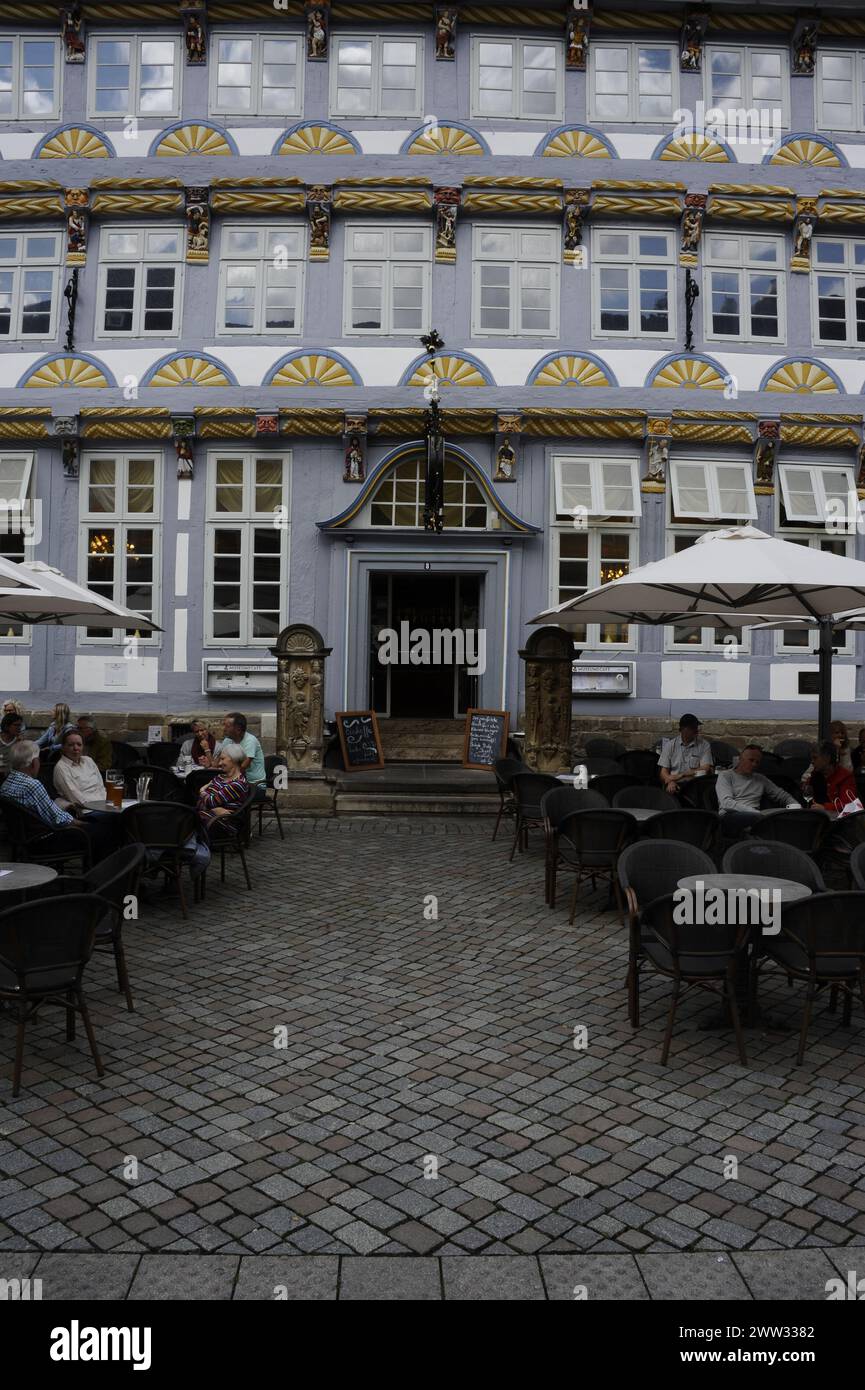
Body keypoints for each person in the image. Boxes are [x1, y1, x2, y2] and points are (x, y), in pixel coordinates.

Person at [0, 740, 118, 862]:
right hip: (44, 840)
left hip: (24, 838)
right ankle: (101, 873)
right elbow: (57, 819)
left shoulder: (7, 783)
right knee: (104, 831)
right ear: (34, 763)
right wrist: (82, 824)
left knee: (97, 827)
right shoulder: (32, 785)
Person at [716, 745, 801, 836]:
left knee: (783, 817)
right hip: (731, 815)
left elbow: (782, 795)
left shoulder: (760, 778)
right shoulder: (726, 776)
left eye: (757, 762)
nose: (754, 764)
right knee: (762, 820)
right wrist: (755, 812)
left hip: (756, 816)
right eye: (751, 760)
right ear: (740, 758)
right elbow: (727, 803)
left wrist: (796, 807)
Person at [212, 712, 266, 802]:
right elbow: (217, 763)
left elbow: (242, 768)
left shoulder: (250, 741)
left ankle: (230, 814)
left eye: (227, 726)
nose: (223, 729)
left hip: (254, 786)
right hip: (232, 783)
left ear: (238, 729)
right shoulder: (227, 740)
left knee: (219, 796)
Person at [195, 742, 250, 827]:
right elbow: (201, 802)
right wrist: (215, 808)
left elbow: (209, 801)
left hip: (223, 825)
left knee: (189, 819)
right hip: (209, 820)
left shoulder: (237, 784)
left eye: (222, 759)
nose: (220, 763)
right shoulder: (220, 777)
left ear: (234, 760)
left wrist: (201, 791)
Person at [658, 713, 713, 795]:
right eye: (693, 728)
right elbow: (663, 773)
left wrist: (682, 775)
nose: (697, 731)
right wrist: (670, 781)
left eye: (696, 728)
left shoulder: (704, 745)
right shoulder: (670, 745)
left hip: (695, 784)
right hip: (674, 783)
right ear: (683, 730)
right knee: (670, 793)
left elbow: (705, 768)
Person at [52, 728, 107, 810]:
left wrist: (105, 803)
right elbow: (74, 797)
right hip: (87, 810)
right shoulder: (61, 767)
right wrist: (98, 807)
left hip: (103, 804)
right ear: (63, 747)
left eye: (79, 744)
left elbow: (101, 787)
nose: (76, 748)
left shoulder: (89, 761)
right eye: (71, 745)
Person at [802, 741, 857, 811]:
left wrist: (825, 807)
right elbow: (807, 795)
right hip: (816, 816)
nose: (812, 761)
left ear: (827, 758)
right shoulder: (815, 774)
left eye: (815, 758)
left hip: (837, 819)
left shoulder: (845, 776)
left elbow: (849, 805)